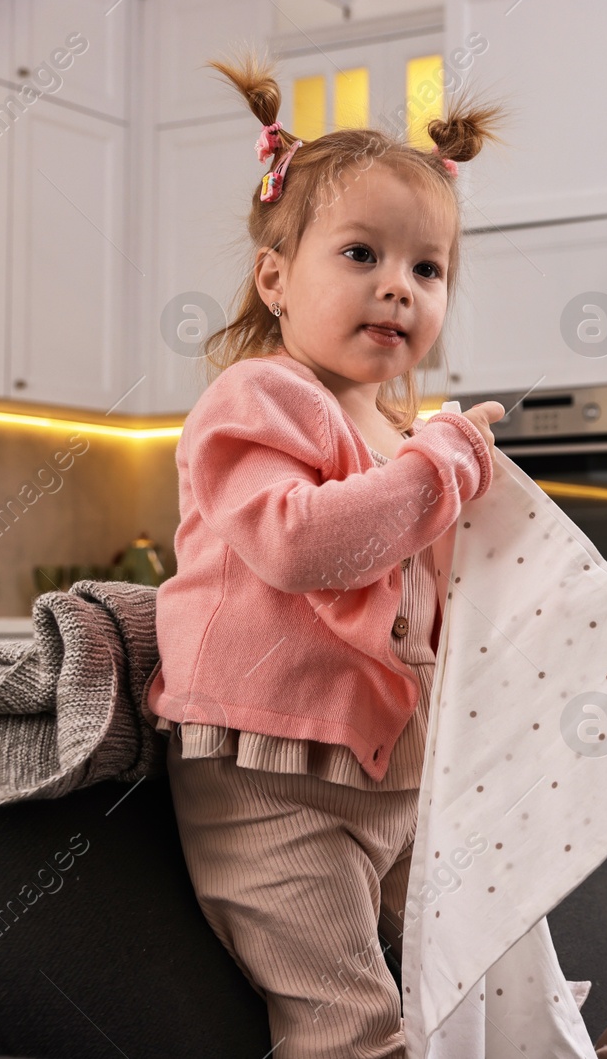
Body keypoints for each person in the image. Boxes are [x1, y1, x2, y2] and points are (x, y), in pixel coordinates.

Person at [144, 52, 507, 1058]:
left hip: (394, 774)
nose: (398, 288)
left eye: (427, 269)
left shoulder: (402, 436)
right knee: (348, 1020)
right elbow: (298, 541)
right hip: (272, 777)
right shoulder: (259, 396)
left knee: (469, 983)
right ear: (275, 276)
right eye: (361, 255)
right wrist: (441, 468)